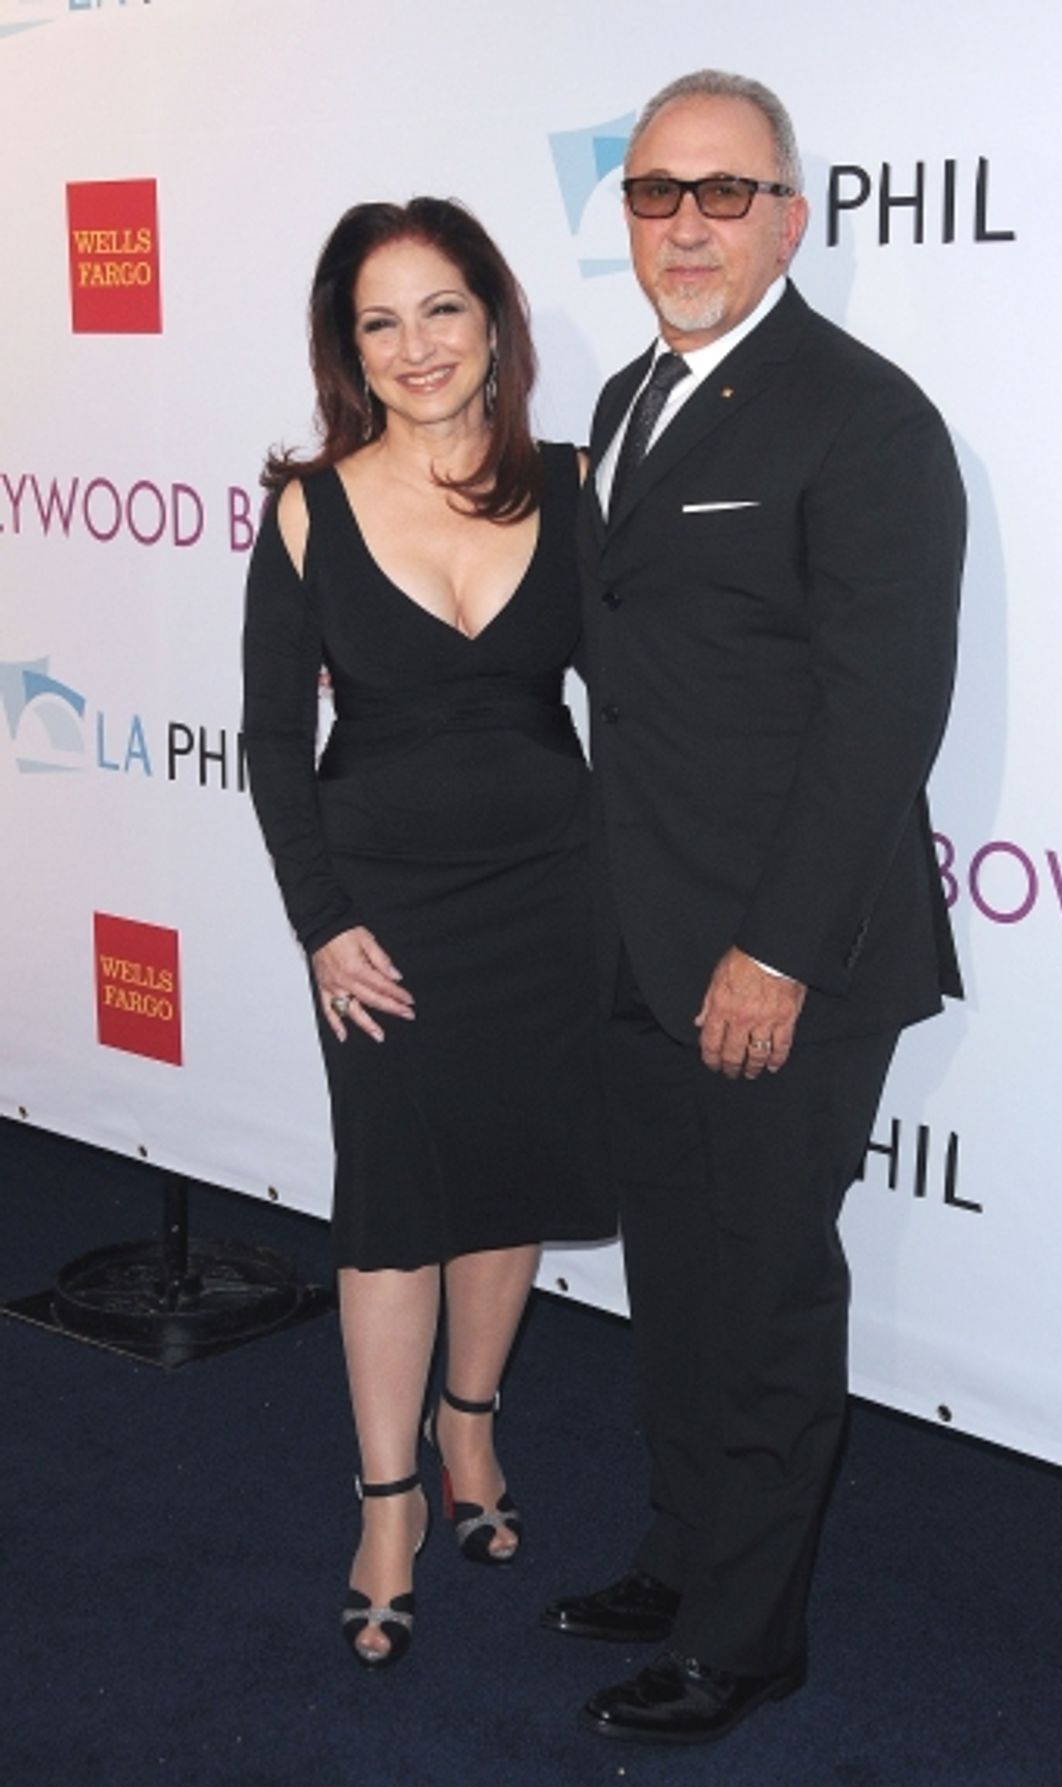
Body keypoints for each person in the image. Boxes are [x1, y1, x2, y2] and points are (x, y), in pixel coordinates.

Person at [541, 71, 966, 1742]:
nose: (689, 223)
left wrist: (774, 949)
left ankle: (749, 1633)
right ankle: (680, 1555)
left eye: (726, 192)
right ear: (629, 218)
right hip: (642, 948)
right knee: (681, 1282)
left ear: (791, 216)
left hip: (787, 958)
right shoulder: (630, 395)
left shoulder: (865, 419)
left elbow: (881, 717)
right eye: (658, 193)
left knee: (768, 1294)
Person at [242, 199, 614, 1669]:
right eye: (378, 320)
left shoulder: (580, 491)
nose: (414, 347)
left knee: (506, 1173)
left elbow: (645, 709)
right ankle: (386, 1494)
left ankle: (474, 1426)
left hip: (550, 891)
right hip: (383, 911)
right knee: (395, 1194)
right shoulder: (308, 508)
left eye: (441, 309)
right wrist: (323, 925)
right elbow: (277, 742)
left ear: (494, 320)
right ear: (349, 346)